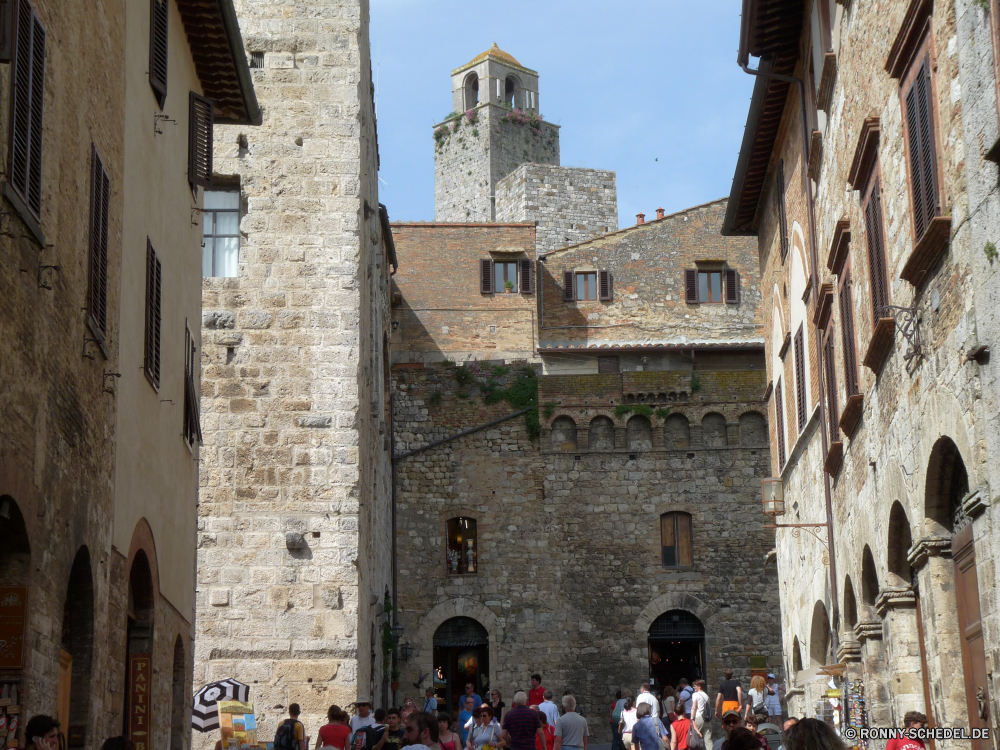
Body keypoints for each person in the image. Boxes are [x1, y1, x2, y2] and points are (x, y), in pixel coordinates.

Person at [688, 682, 711, 750]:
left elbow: (694, 707)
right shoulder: (706, 695)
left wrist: (692, 719)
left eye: (695, 686)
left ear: (699, 686)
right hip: (707, 718)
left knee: (695, 737)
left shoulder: (695, 694)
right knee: (708, 739)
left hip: (699, 717)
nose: (693, 687)